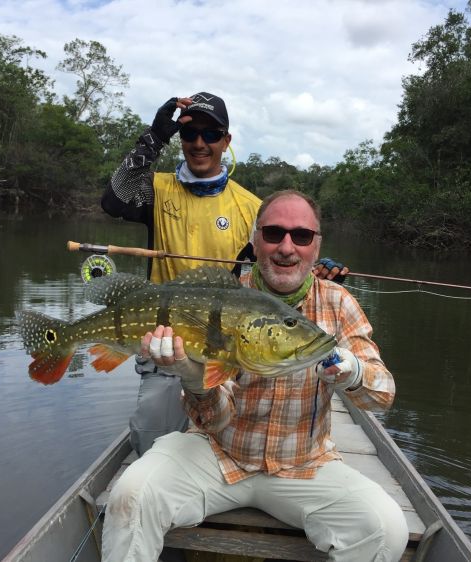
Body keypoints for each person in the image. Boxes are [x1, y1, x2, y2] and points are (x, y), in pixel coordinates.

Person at [101, 190, 409, 562]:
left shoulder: (338, 303)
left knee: (385, 528)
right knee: (131, 494)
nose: (286, 247)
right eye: (273, 233)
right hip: (216, 453)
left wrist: (354, 373)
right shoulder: (225, 296)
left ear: (317, 246)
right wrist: (193, 378)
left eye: (302, 236)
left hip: (304, 466)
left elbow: (382, 395)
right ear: (254, 239)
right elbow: (214, 420)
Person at [101, 93, 349, 457]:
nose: (199, 143)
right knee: (151, 430)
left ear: (226, 141)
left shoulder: (251, 208)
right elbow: (113, 201)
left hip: (230, 345)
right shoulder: (157, 188)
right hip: (163, 342)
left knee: (225, 442)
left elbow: (276, 265)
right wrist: (154, 136)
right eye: (190, 134)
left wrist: (314, 266)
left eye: (211, 134)